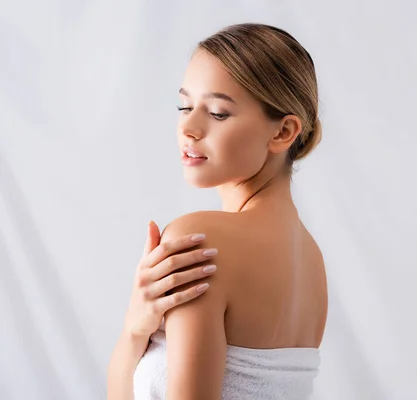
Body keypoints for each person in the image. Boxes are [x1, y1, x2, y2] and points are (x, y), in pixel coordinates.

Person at [107, 23, 328, 399]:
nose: (188, 128)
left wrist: (133, 329)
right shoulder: (312, 262)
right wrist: (136, 325)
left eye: (219, 113)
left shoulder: (199, 240)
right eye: (185, 106)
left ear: (283, 132)